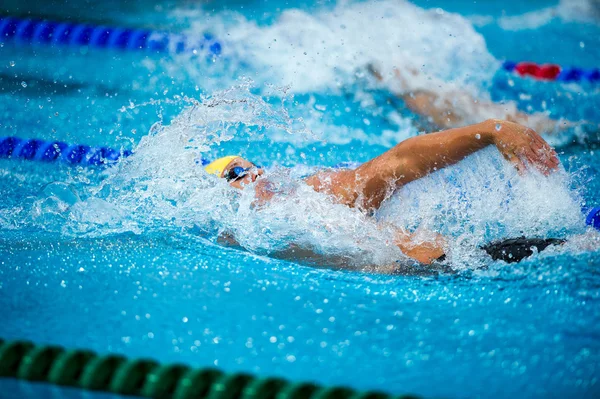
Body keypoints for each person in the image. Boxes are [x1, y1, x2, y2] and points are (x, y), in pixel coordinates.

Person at [204, 118, 560, 266]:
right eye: (238, 173)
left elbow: (397, 163)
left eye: (252, 164)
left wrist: (489, 130)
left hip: (474, 263)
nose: (258, 173)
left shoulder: (312, 197)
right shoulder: (247, 235)